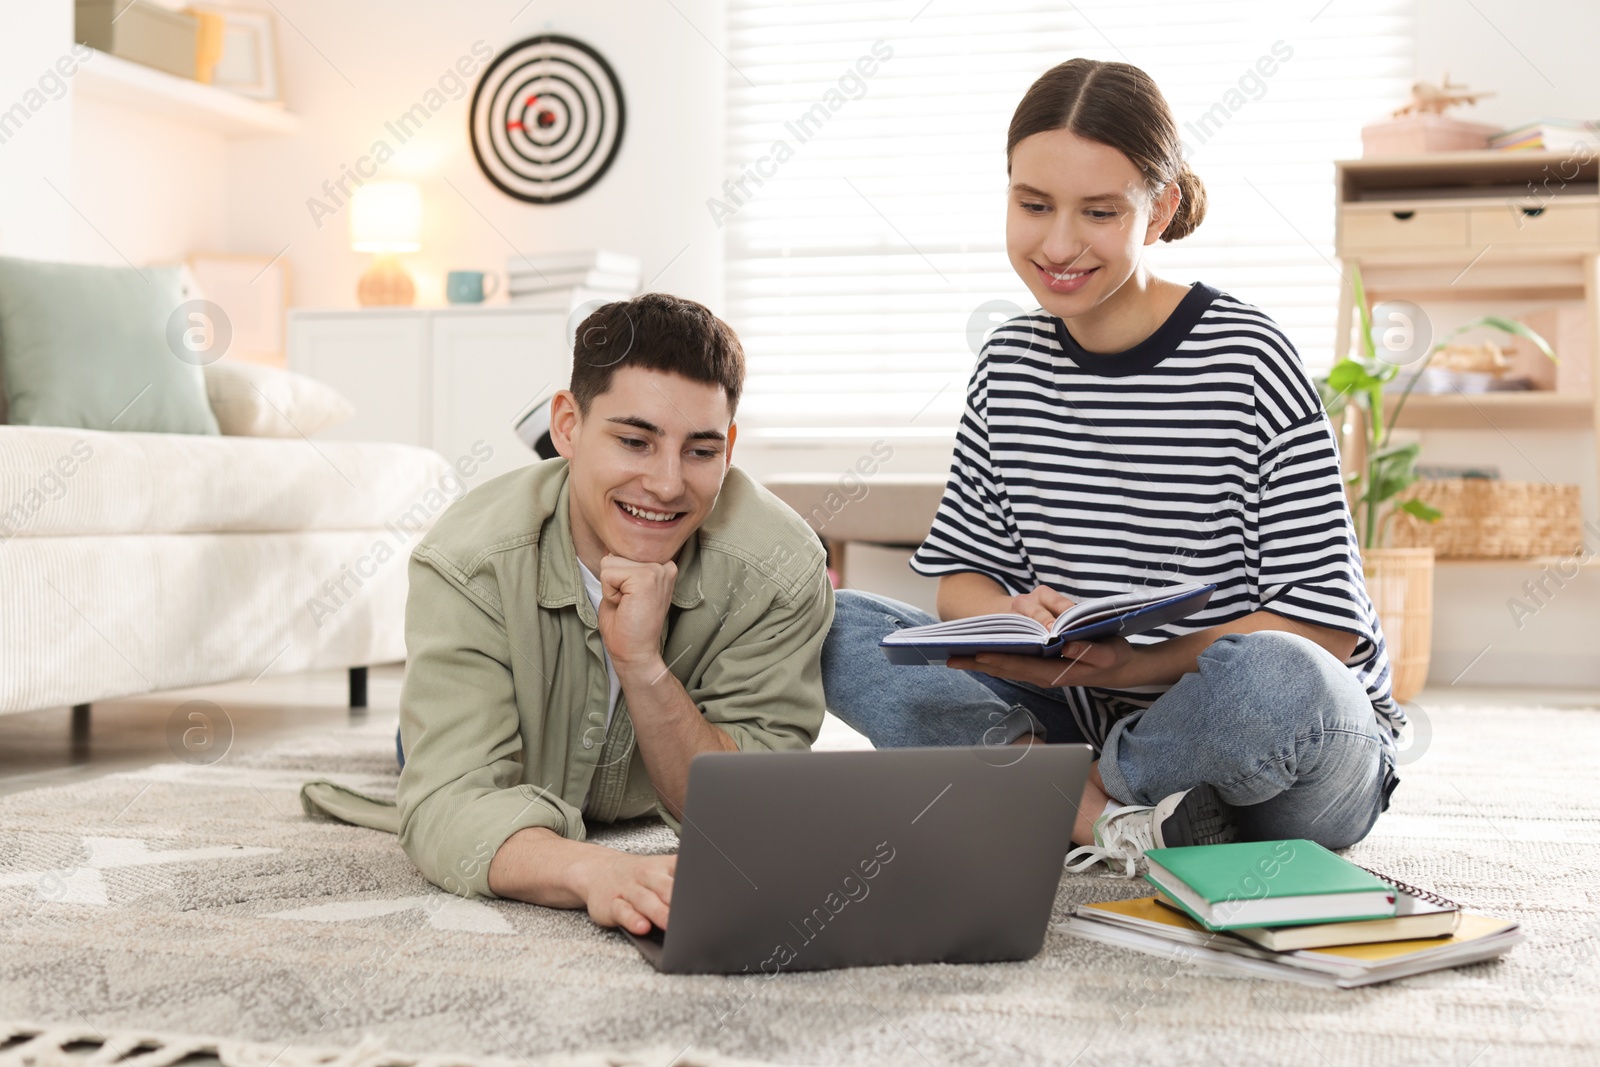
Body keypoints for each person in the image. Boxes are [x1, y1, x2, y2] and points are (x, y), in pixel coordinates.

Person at [821, 58, 1402, 877]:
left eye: (1098, 212)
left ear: (1159, 210)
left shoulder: (1249, 358)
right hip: (1081, 709)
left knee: (1278, 680)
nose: (1058, 244)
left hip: (1288, 751)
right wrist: (1013, 614)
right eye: (1032, 205)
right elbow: (961, 582)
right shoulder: (1009, 363)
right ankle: (1127, 821)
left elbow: (1326, 627)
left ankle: (1061, 800)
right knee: (838, 624)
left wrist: (1137, 665)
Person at [300, 293, 834, 934]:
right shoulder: (467, 562)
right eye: (635, 441)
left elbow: (753, 813)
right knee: (422, 750)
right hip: (516, 722)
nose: (668, 484)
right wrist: (592, 871)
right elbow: (447, 806)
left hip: (631, 761)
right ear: (568, 426)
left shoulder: (780, 569)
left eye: (700, 451)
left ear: (731, 445)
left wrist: (642, 665)